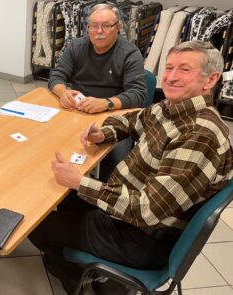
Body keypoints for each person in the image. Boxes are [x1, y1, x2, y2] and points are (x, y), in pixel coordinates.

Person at [30, 41, 232, 294]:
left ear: (210, 80)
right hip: (127, 211)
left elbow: (147, 211)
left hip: (143, 237)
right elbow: (133, 120)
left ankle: (78, 279)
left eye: (184, 70)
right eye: (168, 68)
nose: (170, 77)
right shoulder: (172, 108)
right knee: (54, 201)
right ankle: (77, 263)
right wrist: (103, 133)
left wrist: (80, 182)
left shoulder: (200, 136)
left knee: (35, 225)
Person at [49, 3, 147, 181]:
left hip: (113, 115)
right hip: (77, 111)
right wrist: (63, 92)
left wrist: (106, 103)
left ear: (117, 27)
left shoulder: (130, 53)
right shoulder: (76, 46)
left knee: (113, 164)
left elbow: (138, 94)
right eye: (93, 26)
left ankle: (98, 199)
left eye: (106, 26)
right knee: (53, 145)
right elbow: (56, 76)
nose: (98, 31)